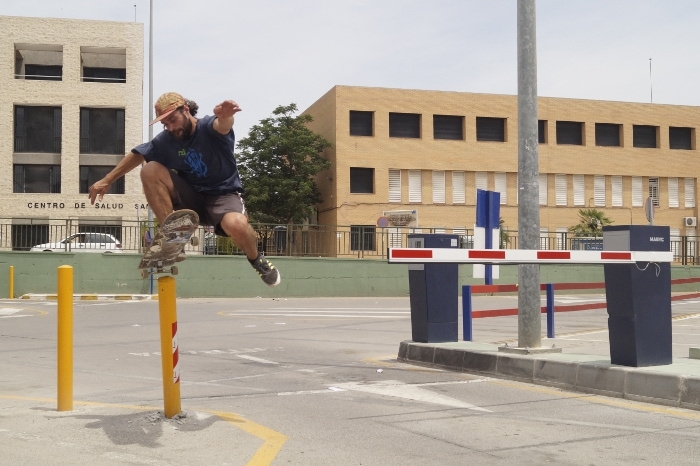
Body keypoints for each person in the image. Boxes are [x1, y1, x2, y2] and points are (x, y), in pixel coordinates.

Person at [88, 92, 280, 286]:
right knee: (149, 170)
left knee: (237, 225)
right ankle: (173, 237)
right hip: (190, 196)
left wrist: (225, 116)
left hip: (223, 195)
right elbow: (137, 154)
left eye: (173, 120)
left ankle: (257, 260)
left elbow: (222, 126)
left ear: (186, 110)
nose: (171, 128)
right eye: (166, 125)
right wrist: (107, 179)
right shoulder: (167, 140)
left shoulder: (207, 127)